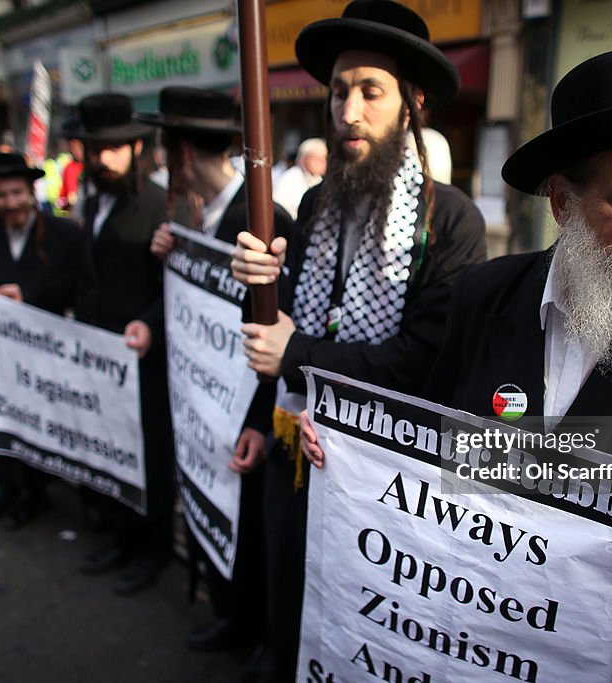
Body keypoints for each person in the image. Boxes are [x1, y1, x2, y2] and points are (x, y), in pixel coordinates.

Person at [366, 47, 612, 680]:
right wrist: (352, 451)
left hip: (592, 647)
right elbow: (424, 438)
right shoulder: (483, 295)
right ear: (562, 202)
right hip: (464, 625)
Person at [230, 2, 487, 679]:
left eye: (371, 91)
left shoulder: (451, 221)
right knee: (289, 597)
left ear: (412, 105)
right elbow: (285, 330)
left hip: (382, 482)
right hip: (296, 452)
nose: (348, 110)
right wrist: (259, 287)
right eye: (339, 90)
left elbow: (424, 363)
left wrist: (297, 355)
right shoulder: (317, 204)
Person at [139, 86, 294, 653]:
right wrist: (172, 256)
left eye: (162, 151)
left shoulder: (262, 219)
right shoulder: (194, 217)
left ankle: (252, 636)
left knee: (248, 529)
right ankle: (231, 618)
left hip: (244, 415)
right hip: (206, 404)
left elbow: (281, 330)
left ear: (179, 154)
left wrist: (260, 419)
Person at [63, 93, 173, 597]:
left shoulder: (158, 205)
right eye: (93, 149)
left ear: (135, 147)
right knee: (103, 445)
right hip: (94, 355)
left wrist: (149, 324)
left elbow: (171, 288)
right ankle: (117, 535)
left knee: (145, 454)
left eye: (112, 149)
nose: (101, 159)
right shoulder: (88, 201)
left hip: (141, 360)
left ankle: (150, 548)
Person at [0, 152, 84, 529]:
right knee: (0, 416)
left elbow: (73, 286)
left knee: (35, 422)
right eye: (1, 196)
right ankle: (6, 487)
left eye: (16, 193)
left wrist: (27, 293)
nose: (10, 203)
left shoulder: (63, 233)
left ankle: (35, 494)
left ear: (31, 191)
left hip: (43, 354)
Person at [271, 137, 327, 219]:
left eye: (325, 158)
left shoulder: (319, 180)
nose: (323, 163)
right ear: (304, 159)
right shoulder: (290, 179)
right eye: (317, 159)